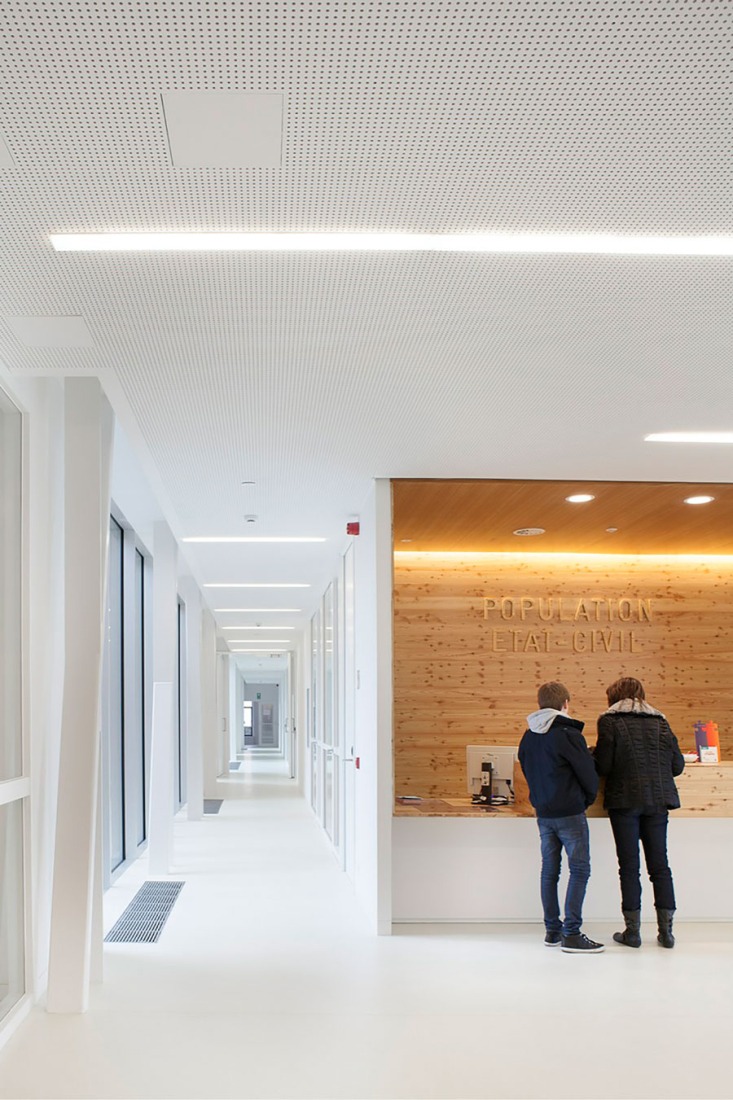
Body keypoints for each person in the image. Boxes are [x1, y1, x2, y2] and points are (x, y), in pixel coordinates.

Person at [595, 677, 685, 949]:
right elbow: (678, 765)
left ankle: (632, 932)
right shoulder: (661, 721)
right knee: (660, 866)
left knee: (629, 868)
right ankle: (666, 932)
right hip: (658, 801)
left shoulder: (609, 721)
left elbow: (604, 766)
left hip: (625, 801)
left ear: (614, 698)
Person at [519, 681, 603, 954]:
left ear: (540, 703)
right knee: (579, 870)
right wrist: (587, 800)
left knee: (549, 872)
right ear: (565, 703)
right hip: (569, 812)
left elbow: (527, 768)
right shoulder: (568, 734)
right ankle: (572, 933)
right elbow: (589, 774)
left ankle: (552, 931)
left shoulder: (528, 736)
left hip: (543, 813)